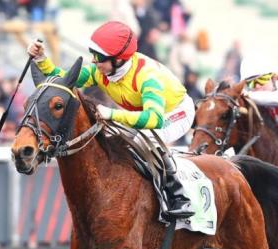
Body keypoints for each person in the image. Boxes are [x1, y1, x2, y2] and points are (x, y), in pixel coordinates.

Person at [27, 20, 195, 219]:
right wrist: (41, 60)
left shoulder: (147, 76)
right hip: (140, 113)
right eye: (94, 57)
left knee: (146, 138)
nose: (95, 63)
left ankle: (179, 195)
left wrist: (112, 114)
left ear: (118, 59)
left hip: (174, 112)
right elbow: (66, 80)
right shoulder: (101, 71)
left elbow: (154, 119)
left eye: (100, 59)